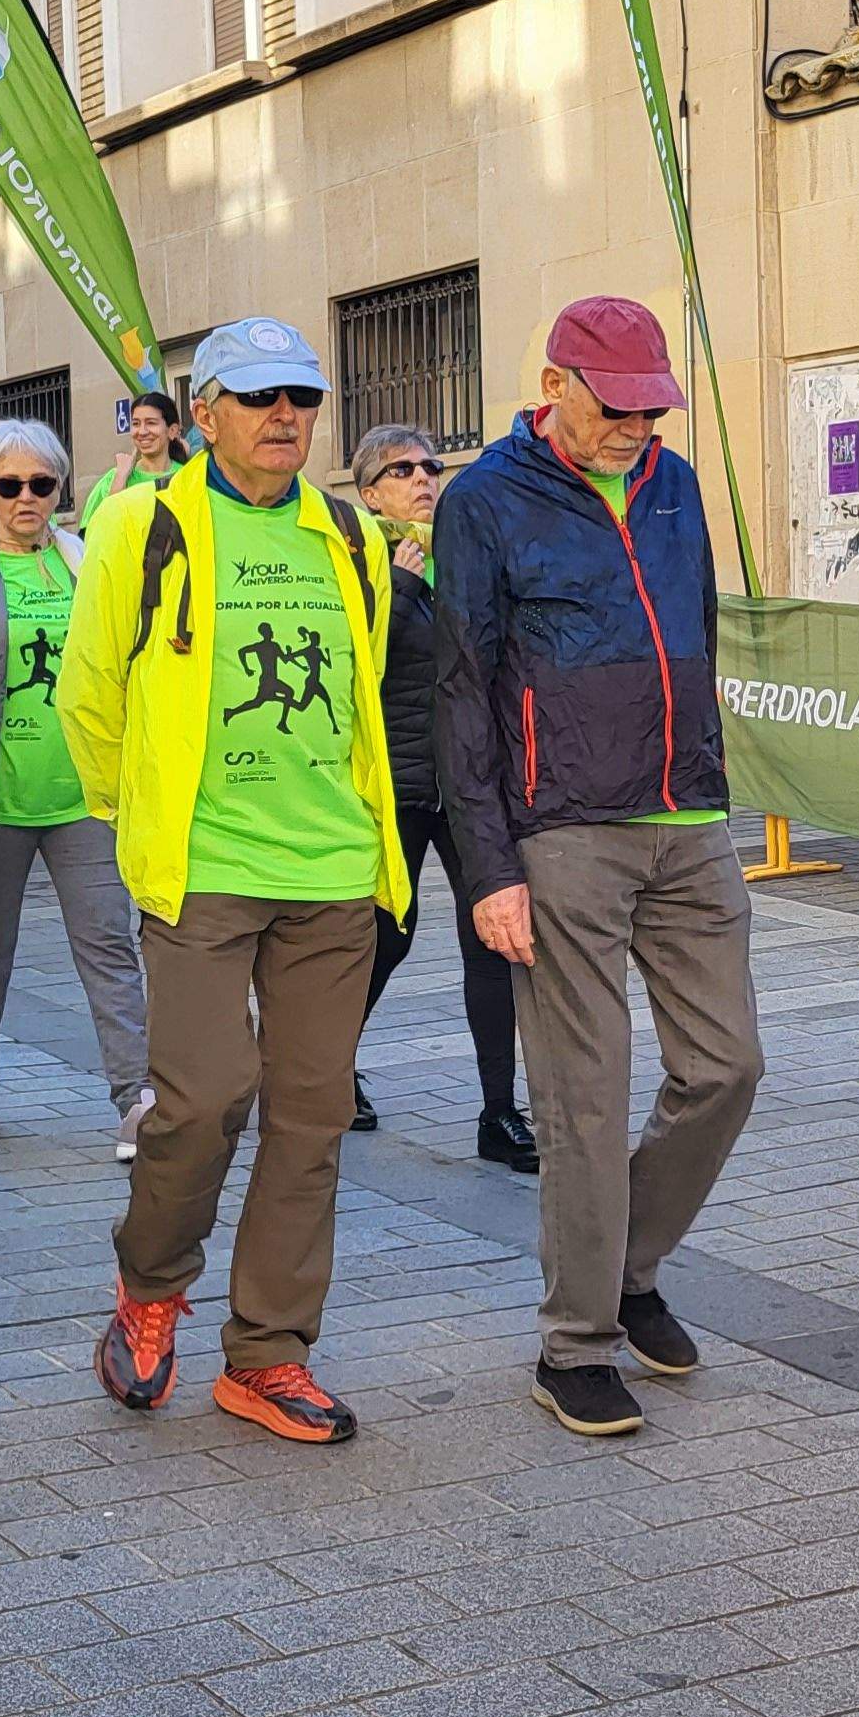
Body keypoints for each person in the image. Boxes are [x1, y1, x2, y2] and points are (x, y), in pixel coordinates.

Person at [57, 316, 404, 1448]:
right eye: (259, 399)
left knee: (310, 1123)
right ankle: (148, 1288)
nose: (286, 418)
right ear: (202, 415)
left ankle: (268, 1354)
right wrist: (138, 818)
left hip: (332, 870)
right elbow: (90, 691)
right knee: (203, 1099)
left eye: (301, 398)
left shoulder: (348, 536)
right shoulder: (141, 525)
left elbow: (367, 690)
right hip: (200, 871)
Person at [435, 296, 764, 1439]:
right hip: (562, 826)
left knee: (726, 1067)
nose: (635, 425)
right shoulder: (483, 500)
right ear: (557, 382)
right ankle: (573, 1345)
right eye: (615, 405)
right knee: (583, 1095)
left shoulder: (673, 485)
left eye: (650, 405)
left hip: (686, 813)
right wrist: (490, 871)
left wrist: (710, 773)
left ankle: (627, 1269)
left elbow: (700, 635)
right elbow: (463, 690)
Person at [0, 420, 149, 1150]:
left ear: (61, 487)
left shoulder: (90, 563)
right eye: (8, 485)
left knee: (109, 944)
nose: (26, 499)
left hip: (83, 793)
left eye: (41, 484)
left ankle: (134, 1096)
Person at [346, 423, 528, 1168]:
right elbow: (355, 660)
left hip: (470, 783)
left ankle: (498, 1114)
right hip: (398, 781)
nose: (423, 478)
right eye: (402, 469)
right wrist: (401, 583)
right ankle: (323, 1068)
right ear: (368, 491)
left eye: (431, 465)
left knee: (491, 936)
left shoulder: (466, 550)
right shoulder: (355, 558)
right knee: (388, 936)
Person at [114, 392, 186, 493]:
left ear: (172, 431)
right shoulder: (116, 477)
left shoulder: (187, 476)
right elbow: (106, 509)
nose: (142, 432)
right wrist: (120, 479)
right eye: (136, 423)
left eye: (151, 423)